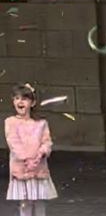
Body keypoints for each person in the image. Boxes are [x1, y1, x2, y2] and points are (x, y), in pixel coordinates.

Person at [4, 84, 58, 216]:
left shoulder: (41, 123)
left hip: (38, 168)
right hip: (21, 169)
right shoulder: (10, 122)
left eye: (24, 99)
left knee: (40, 202)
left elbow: (47, 142)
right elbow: (13, 142)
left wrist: (40, 155)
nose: (20, 102)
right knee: (25, 203)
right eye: (17, 98)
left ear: (32, 102)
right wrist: (27, 159)